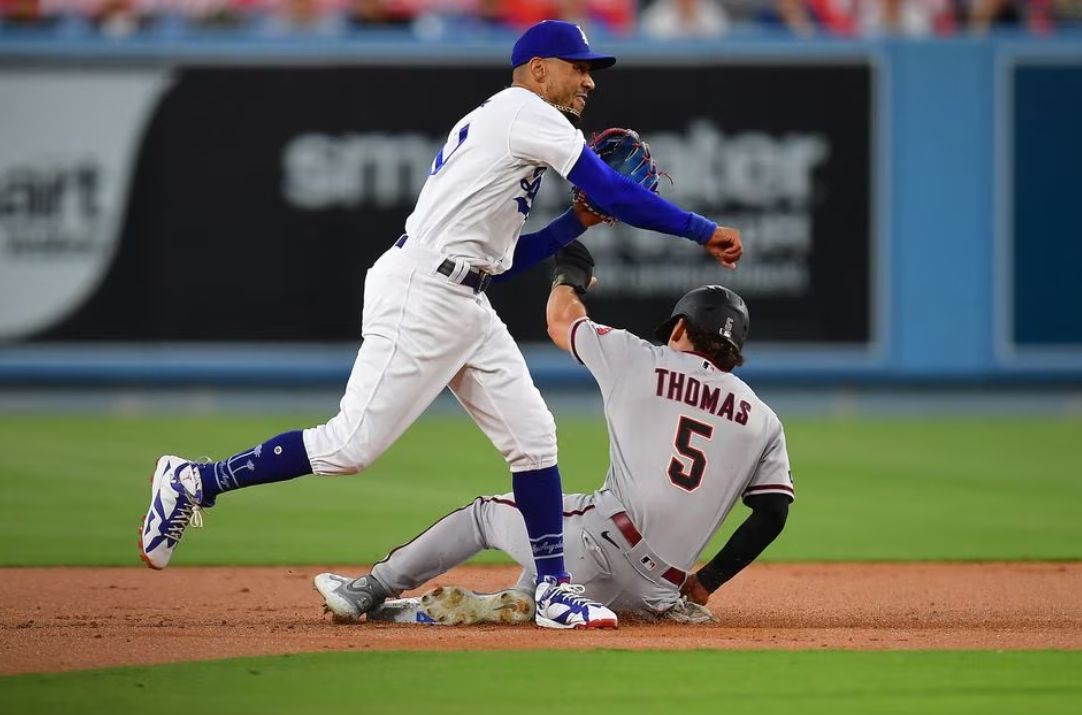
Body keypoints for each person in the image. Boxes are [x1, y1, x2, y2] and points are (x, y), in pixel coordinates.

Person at [138, 19, 743, 631]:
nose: (588, 80)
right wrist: (700, 229)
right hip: (421, 294)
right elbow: (608, 184)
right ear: (538, 70)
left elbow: (502, 267)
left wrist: (577, 226)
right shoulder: (523, 112)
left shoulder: (514, 134)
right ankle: (195, 480)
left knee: (534, 438)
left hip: (464, 298)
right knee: (349, 447)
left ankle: (556, 589)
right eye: (579, 66)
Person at [316, 242, 793, 626]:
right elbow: (772, 514)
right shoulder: (764, 419)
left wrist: (570, 273)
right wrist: (707, 581)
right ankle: (522, 597)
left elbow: (561, 320)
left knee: (487, 515)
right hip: (656, 593)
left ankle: (371, 588)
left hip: (596, 544)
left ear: (679, 330)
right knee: (556, 540)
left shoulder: (642, 359)